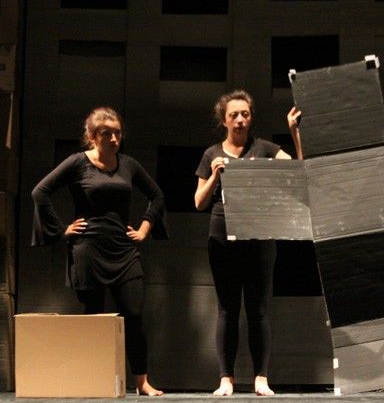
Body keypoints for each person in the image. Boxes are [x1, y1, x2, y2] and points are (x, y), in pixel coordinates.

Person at [31, 107, 167, 396]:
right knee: (93, 317)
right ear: (92, 136)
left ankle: (141, 382)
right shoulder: (78, 163)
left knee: (134, 314)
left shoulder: (128, 165)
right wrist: (61, 229)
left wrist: (144, 228)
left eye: (117, 133)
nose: (114, 139)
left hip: (123, 250)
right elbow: (39, 192)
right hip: (88, 250)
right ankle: (94, 380)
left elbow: (157, 196)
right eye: (106, 134)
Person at [194, 90, 301, 396]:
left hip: (259, 237)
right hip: (223, 239)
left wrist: (294, 133)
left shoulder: (265, 148)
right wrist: (215, 175)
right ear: (224, 120)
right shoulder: (212, 154)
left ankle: (261, 378)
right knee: (227, 310)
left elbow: (297, 173)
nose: (240, 120)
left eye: (245, 114)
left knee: (259, 310)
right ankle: (225, 378)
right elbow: (199, 202)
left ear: (250, 118)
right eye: (234, 115)